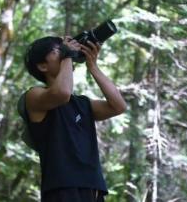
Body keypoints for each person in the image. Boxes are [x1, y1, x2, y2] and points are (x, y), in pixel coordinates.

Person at [18, 35, 127, 202]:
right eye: (57, 50)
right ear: (42, 66)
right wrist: (67, 54)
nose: (64, 52)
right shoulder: (33, 96)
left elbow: (118, 106)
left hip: (93, 187)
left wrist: (93, 66)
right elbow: (61, 94)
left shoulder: (82, 103)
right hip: (62, 188)